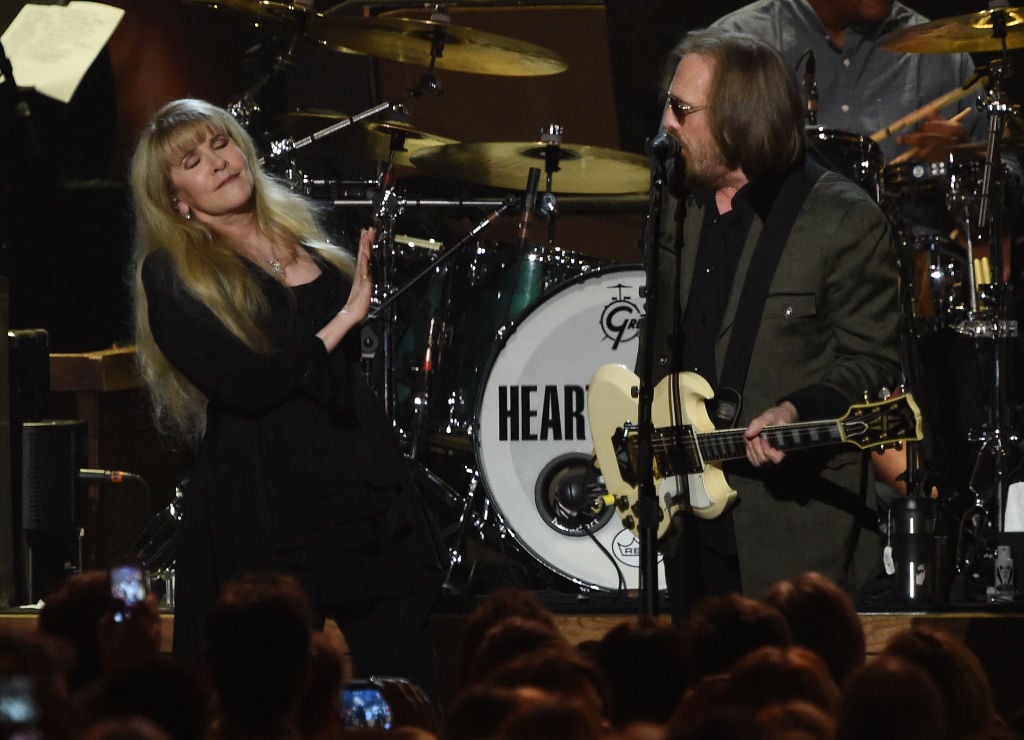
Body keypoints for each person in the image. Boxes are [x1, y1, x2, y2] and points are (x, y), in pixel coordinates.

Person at [128, 98, 445, 695]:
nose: (218, 162)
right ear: (178, 202)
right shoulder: (173, 273)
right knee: (269, 689)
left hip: (355, 479)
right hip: (266, 493)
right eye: (193, 161)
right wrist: (342, 321)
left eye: (221, 144)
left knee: (408, 673)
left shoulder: (305, 240)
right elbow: (247, 385)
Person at [643, 29, 901, 623]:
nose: (665, 125)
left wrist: (794, 409)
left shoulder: (842, 220)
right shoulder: (677, 205)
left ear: (737, 120)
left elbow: (873, 362)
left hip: (789, 536)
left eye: (682, 111)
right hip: (687, 524)